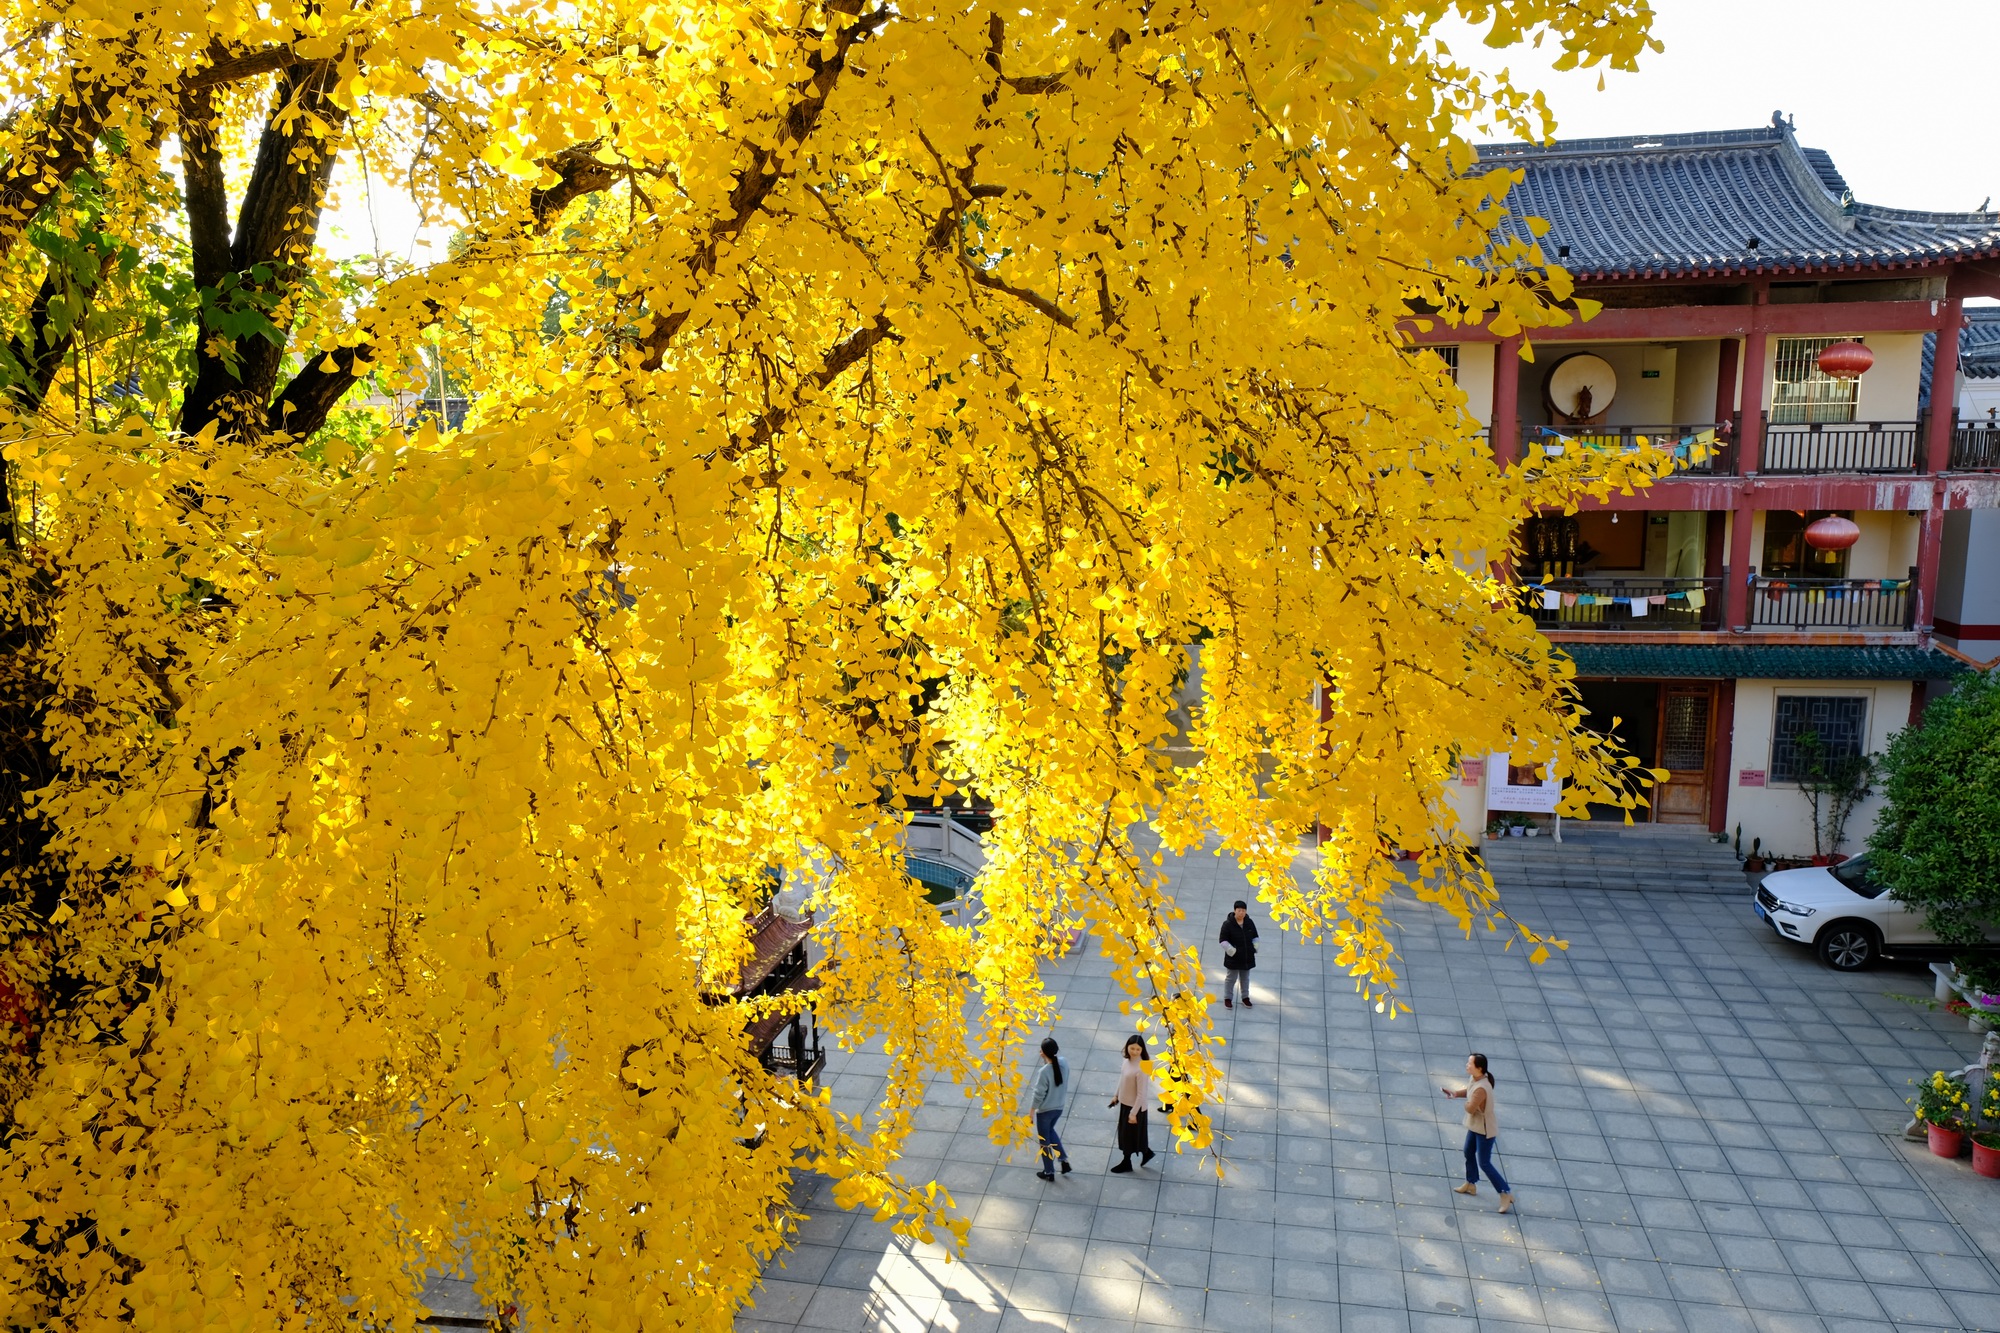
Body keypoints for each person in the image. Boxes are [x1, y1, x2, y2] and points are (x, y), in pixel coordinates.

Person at [1443, 1052, 1513, 1213]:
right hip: (1476, 1127)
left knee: (1484, 1163)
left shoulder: (1482, 1088)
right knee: (1468, 1152)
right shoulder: (1477, 1079)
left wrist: (1467, 1102)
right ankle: (1471, 1183)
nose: (1467, 1065)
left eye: (1470, 1063)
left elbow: (1470, 1107)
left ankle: (1505, 1192)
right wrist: (1455, 1093)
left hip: (1485, 1130)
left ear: (1479, 1068)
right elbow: (1469, 1090)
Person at [1026, 1037, 1072, 1181]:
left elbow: (1038, 1094)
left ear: (1043, 1052)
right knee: (1051, 1132)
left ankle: (1049, 1171)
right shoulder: (1063, 1062)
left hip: (1045, 1111)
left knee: (1044, 1141)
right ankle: (1063, 1160)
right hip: (1059, 1107)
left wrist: (1032, 1111)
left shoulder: (1044, 1071)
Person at [1108, 1034, 1156, 1173]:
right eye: (1132, 1048)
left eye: (1138, 1049)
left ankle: (1126, 1162)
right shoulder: (1126, 1061)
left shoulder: (1142, 1068)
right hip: (1125, 1105)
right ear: (1127, 1047)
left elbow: (1142, 1094)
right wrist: (1116, 1095)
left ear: (1142, 1050)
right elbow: (1122, 1079)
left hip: (1135, 1109)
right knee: (1133, 1135)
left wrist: (1133, 1114)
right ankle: (1146, 1153)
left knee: (1128, 1136)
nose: (1134, 1051)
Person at [1218, 900, 1259, 1009]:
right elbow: (1223, 940)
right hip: (1234, 958)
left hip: (1247, 957)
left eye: (1243, 910)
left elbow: (1255, 936)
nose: (1241, 913)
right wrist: (1232, 951)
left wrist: (1254, 948)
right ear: (1235, 911)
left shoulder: (1249, 922)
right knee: (1231, 978)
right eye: (1239, 910)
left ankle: (1245, 998)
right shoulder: (1227, 924)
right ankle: (1228, 998)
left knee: (1245, 978)